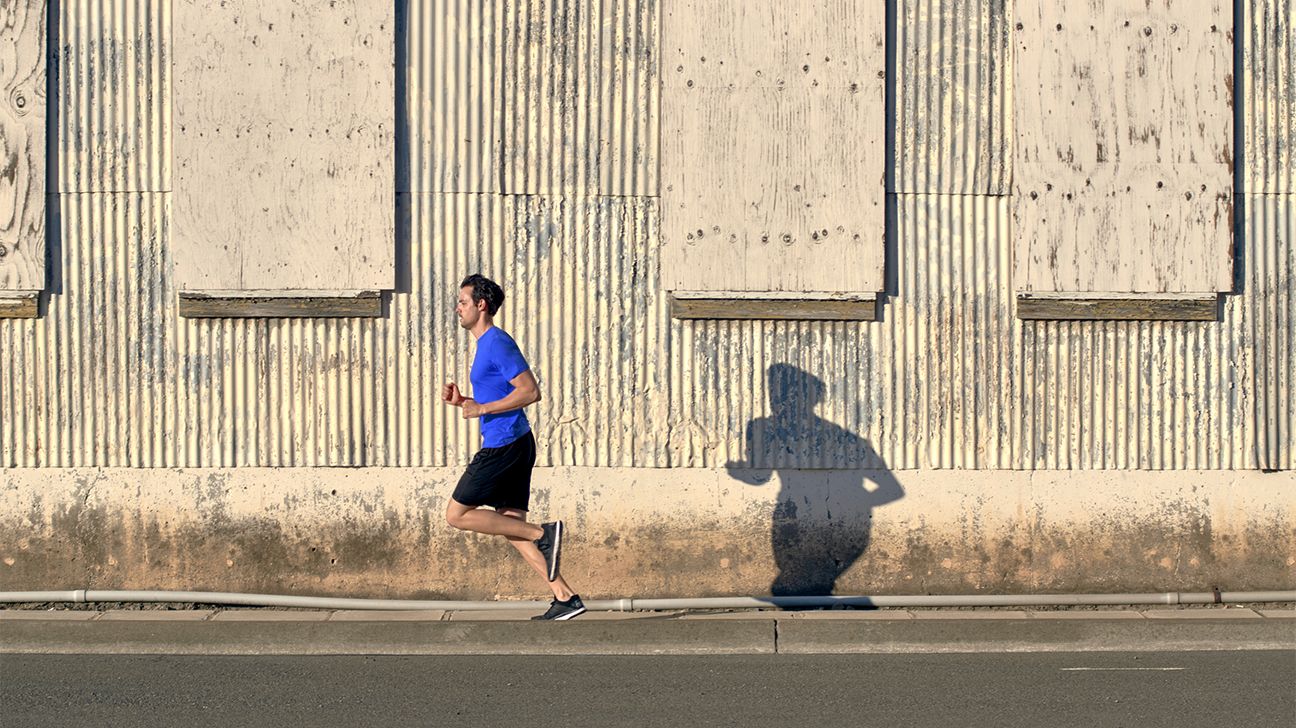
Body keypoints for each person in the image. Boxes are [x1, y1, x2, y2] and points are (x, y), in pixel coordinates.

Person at [442, 274, 586, 621]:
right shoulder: (485, 345)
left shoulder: (497, 343)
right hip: (513, 441)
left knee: (456, 515)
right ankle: (565, 597)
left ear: (481, 305)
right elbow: (501, 396)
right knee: (509, 524)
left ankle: (544, 533)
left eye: (463, 302)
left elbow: (530, 392)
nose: (457, 308)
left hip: (504, 446)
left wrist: (483, 409)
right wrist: (467, 401)